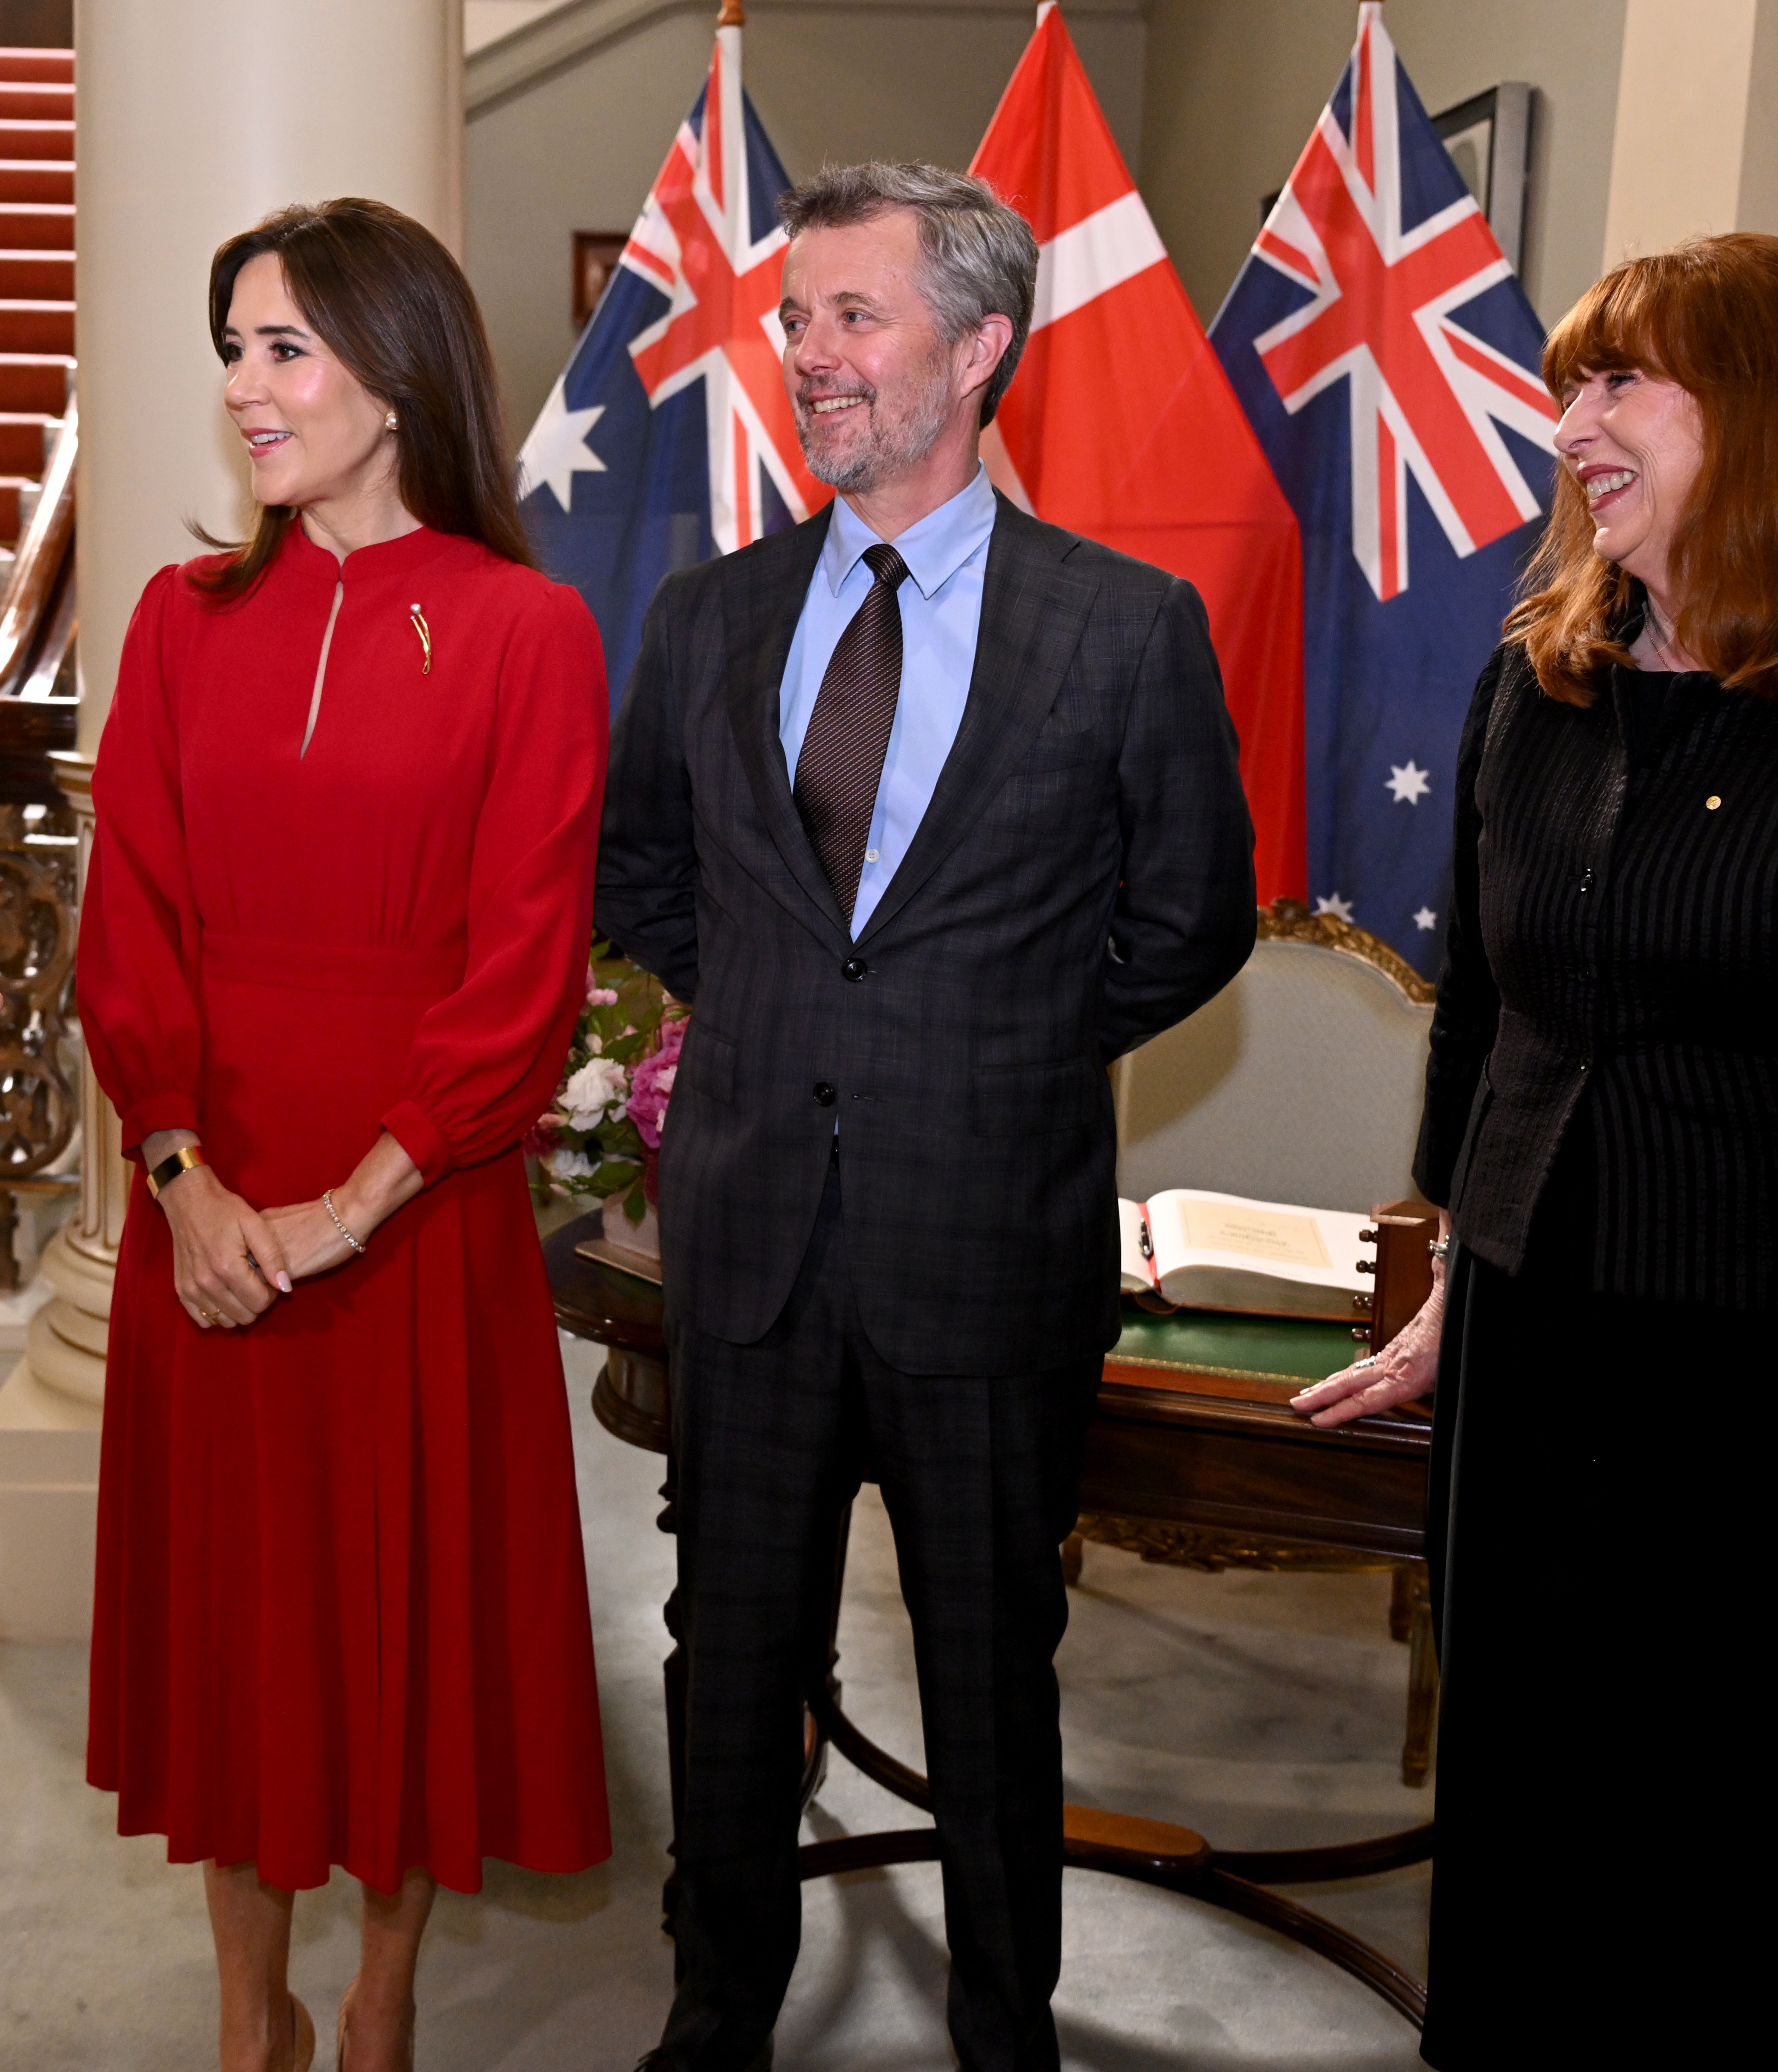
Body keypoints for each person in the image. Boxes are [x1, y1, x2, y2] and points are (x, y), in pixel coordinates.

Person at [1292, 233, 1778, 2072]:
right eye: (1572, 383)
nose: (1568, 423)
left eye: (1616, 383)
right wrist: (1444, 1302)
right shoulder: (1541, 680)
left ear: (1770, 420)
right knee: (1539, 1874)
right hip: (1535, 1364)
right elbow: (1491, 1022)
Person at [596, 161, 1257, 2072]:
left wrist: (996, 1038)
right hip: (748, 1251)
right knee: (728, 1674)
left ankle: (1001, 2032)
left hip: (987, 1247)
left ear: (976, 347)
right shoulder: (709, 613)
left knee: (989, 1683)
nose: (805, 354)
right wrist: (780, 1020)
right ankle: (715, 2014)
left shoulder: (1119, 629)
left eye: (851, 316)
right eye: (794, 316)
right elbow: (643, 871)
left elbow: (1188, 916)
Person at [76, 197, 613, 2072]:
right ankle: (251, 2014)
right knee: (238, 1641)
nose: (242, 385)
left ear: (395, 377)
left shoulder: (529, 631)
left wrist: (348, 1207)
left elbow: (524, 967)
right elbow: (125, 913)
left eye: (281, 346)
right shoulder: (174, 614)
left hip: (415, 1215)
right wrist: (179, 1174)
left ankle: (376, 1997)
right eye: (230, 346)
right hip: (202, 1207)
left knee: (400, 1632)